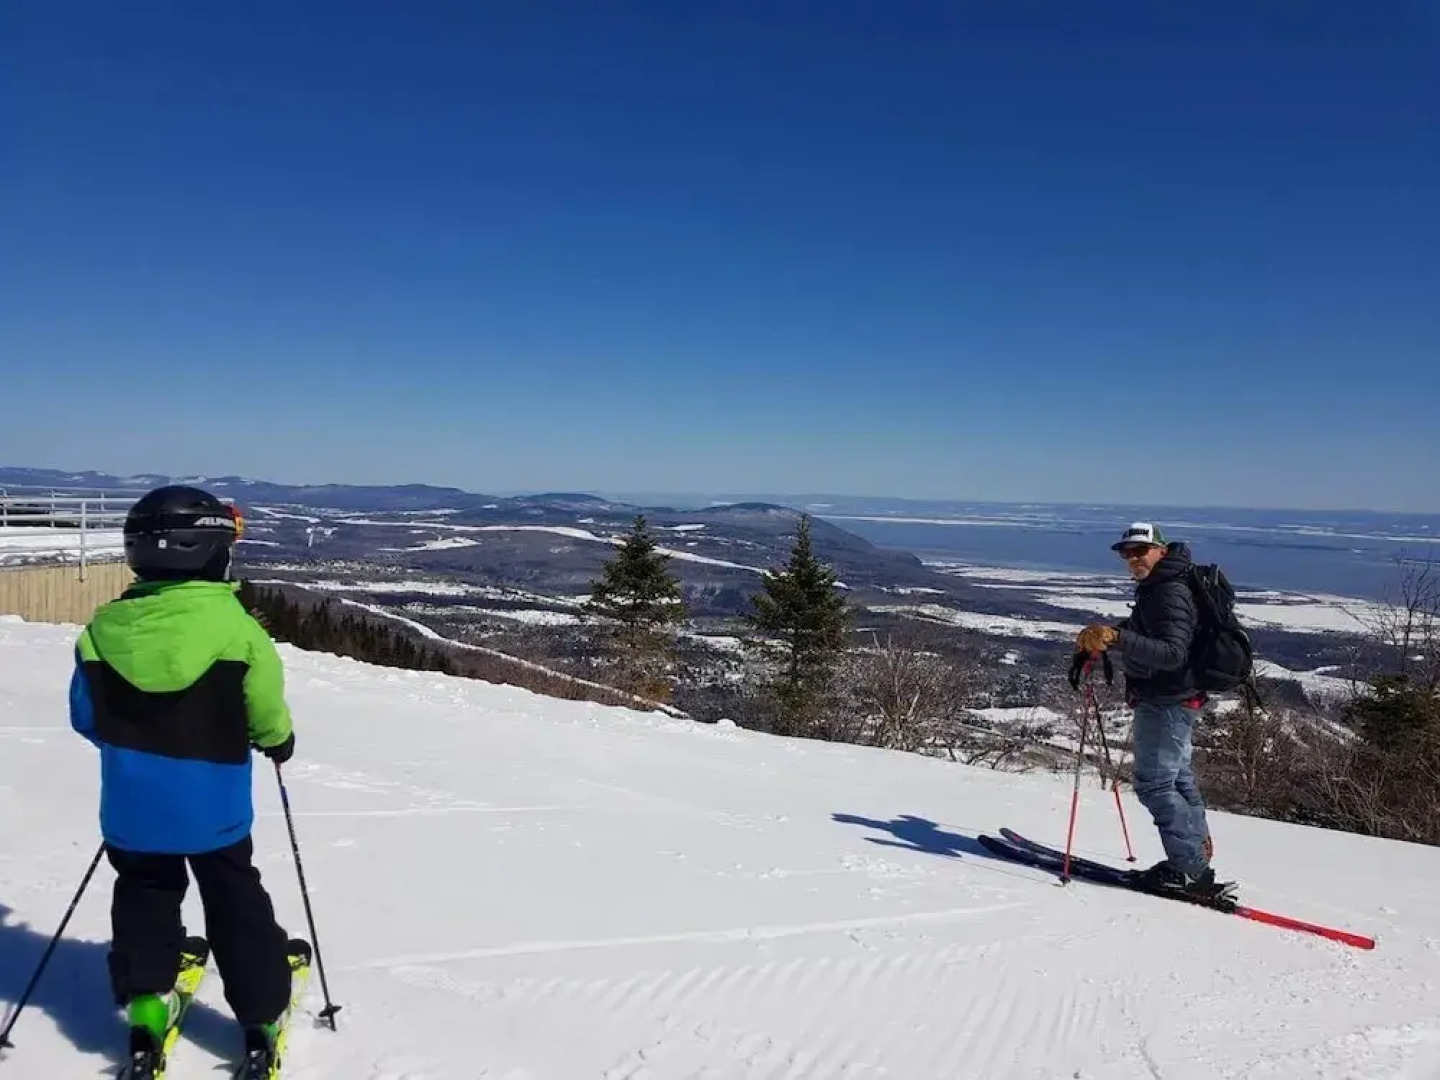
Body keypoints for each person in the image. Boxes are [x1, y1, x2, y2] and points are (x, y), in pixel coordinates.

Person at [68, 484, 299, 1061]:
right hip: (213, 807)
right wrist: (278, 742)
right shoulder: (237, 629)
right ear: (208, 553)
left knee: (145, 892)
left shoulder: (100, 632)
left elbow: (86, 719)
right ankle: (261, 1014)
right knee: (232, 895)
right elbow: (266, 712)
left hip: (132, 806)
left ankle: (147, 1002)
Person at [1074, 522, 1221, 897]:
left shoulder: (1168, 591)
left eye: (1141, 550)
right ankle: (1195, 854)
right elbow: (1155, 635)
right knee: (1177, 779)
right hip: (1175, 696)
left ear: (1160, 549)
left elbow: (1173, 653)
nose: (1133, 558)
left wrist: (1119, 638)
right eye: (1127, 552)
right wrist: (1113, 634)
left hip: (1167, 697)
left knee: (1154, 784)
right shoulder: (1162, 585)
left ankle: (1188, 869)